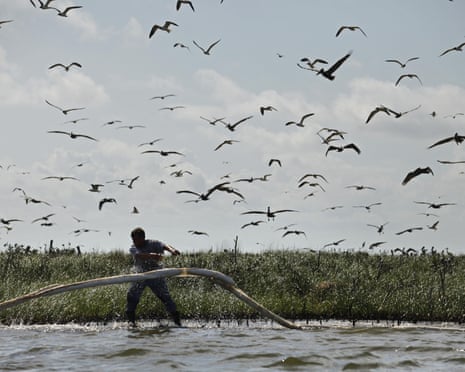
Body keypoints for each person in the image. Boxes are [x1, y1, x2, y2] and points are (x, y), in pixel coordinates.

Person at [125, 227, 181, 327]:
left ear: (143, 238)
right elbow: (139, 255)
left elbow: (164, 245)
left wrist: (172, 250)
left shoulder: (153, 243)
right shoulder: (133, 248)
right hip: (140, 276)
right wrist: (152, 255)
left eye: (136, 239)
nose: (134, 242)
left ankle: (178, 323)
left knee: (166, 298)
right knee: (131, 297)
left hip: (156, 275)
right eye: (133, 240)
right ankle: (131, 323)